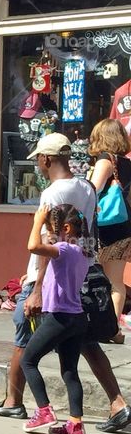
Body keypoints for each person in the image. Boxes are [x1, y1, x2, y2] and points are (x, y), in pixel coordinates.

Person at [0, 133, 131, 433]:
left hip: (53, 279)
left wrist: (36, 285)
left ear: (46, 159)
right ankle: (115, 405)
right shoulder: (87, 187)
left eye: (38, 158)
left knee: (25, 335)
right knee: (84, 343)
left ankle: (17, 402)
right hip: (84, 271)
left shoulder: (52, 194)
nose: (37, 162)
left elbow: (47, 243)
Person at [21, 204, 92, 434]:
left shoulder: (63, 248)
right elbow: (55, 271)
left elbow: (33, 247)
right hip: (77, 318)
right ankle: (75, 424)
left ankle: (44, 411)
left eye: (55, 228)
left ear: (67, 227)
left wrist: (37, 221)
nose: (52, 233)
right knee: (70, 371)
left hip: (60, 317)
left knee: (28, 360)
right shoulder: (83, 252)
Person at [87, 118, 131, 341]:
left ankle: (110, 330)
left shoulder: (106, 160)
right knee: (115, 281)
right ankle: (110, 327)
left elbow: (92, 190)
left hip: (107, 230)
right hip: (123, 227)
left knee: (109, 281)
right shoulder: (127, 163)